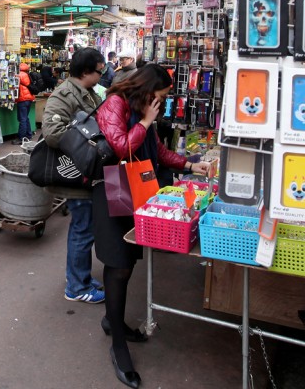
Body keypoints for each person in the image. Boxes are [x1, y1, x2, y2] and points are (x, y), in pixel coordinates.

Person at [94, 64, 210, 388]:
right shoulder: (114, 104)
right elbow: (121, 147)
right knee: (117, 264)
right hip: (112, 188)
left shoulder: (144, 109)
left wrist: (188, 164)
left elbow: (154, 149)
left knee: (128, 262)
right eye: (160, 97)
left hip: (138, 188)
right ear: (146, 91)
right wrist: (145, 120)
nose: (162, 103)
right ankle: (118, 345)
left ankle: (111, 320)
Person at [42, 47, 107, 305]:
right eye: (99, 71)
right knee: (82, 229)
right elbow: (52, 132)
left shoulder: (88, 93)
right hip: (76, 174)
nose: (102, 76)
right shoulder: (65, 95)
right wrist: (89, 145)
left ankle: (81, 277)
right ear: (85, 72)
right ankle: (77, 287)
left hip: (88, 173)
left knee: (85, 228)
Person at [16, 63, 36, 142]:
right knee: (25, 117)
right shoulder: (27, 75)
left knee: (22, 119)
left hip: (22, 99)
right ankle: (28, 134)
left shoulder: (18, 75)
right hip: (29, 98)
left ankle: (21, 138)